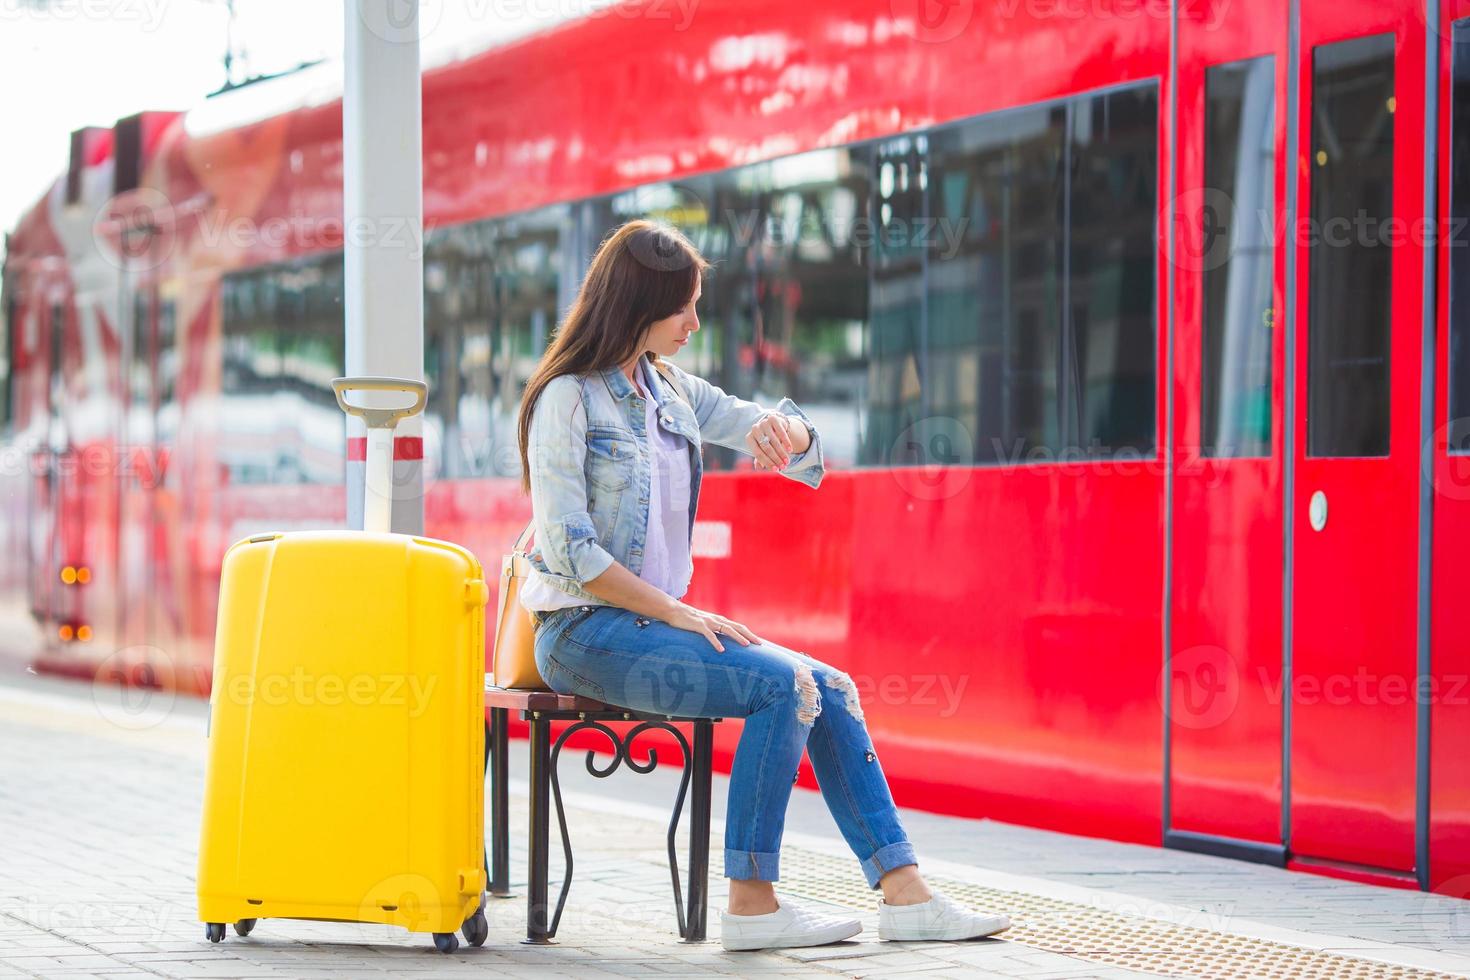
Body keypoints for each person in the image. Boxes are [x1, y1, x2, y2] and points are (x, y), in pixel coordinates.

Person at [515, 219, 1010, 952]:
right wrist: (679, 613)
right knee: (783, 685)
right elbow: (570, 551)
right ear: (635, 301)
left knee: (830, 685)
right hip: (582, 632)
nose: (693, 321)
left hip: (651, 626)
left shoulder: (669, 389)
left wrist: (791, 437)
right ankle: (751, 903)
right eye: (680, 304)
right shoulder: (568, 399)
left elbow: (762, 423)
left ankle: (906, 894)